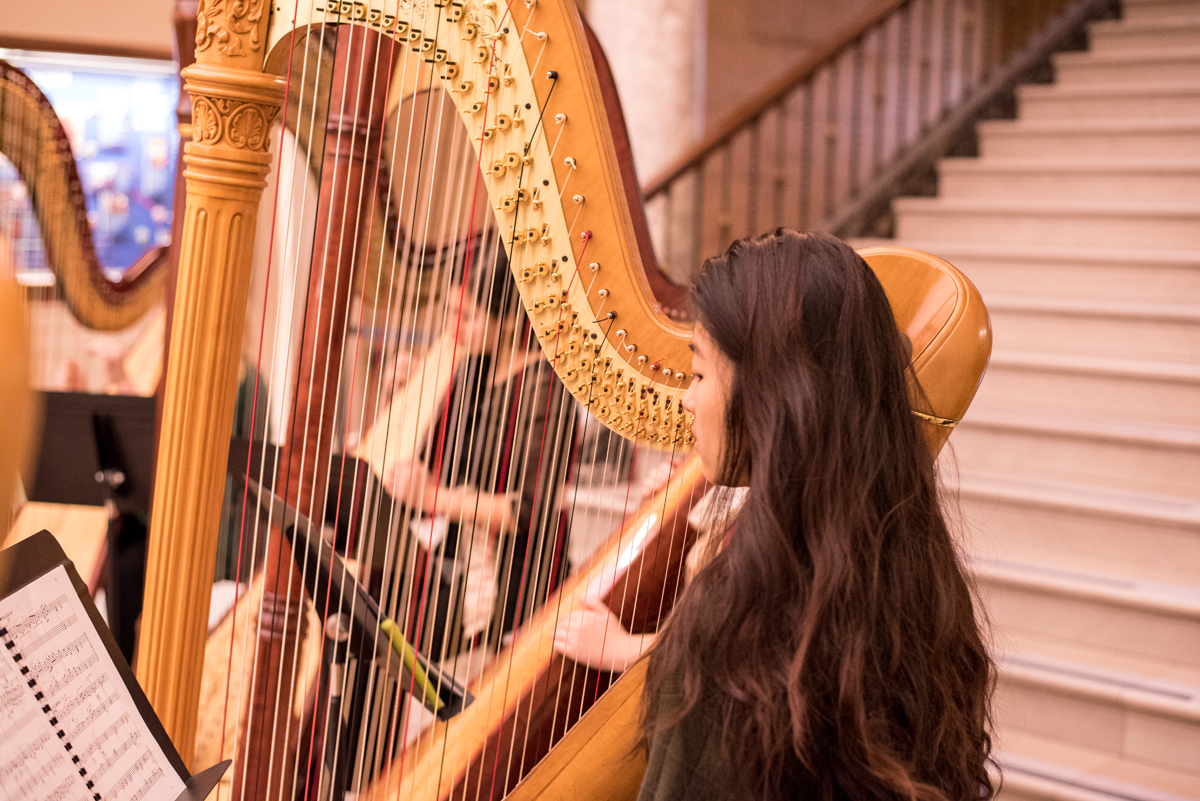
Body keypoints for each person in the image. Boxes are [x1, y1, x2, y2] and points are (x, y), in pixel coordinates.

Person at [560, 229, 995, 800]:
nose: (686, 400)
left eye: (696, 375)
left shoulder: (734, 626)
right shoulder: (913, 568)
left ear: (771, 400)